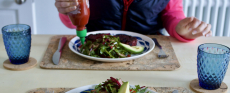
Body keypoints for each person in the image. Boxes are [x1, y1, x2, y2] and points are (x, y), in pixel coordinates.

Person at [55, 0, 212, 42]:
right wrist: (68, 9)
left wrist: (180, 28)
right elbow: (75, 17)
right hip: (95, 48)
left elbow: (171, 12)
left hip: (149, 50)